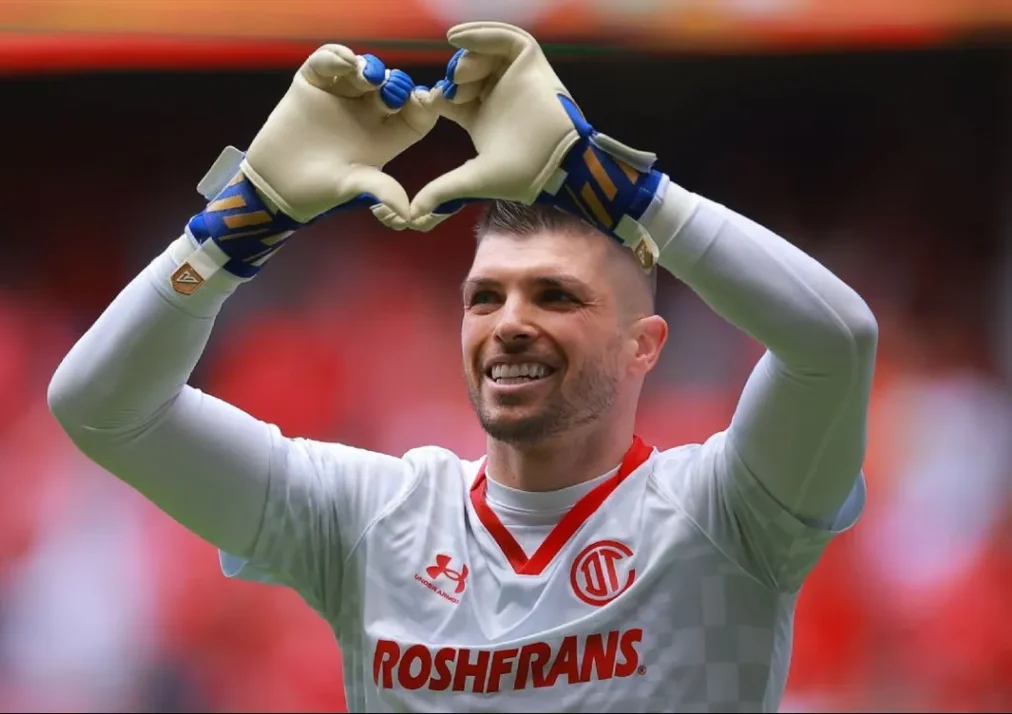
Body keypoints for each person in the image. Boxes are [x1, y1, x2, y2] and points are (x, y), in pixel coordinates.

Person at [48, 22, 877, 713]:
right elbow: (102, 407)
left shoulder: (726, 516)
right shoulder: (367, 519)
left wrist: (612, 184)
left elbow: (834, 342)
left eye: (556, 296)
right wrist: (243, 217)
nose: (510, 322)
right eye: (485, 298)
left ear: (644, 345)